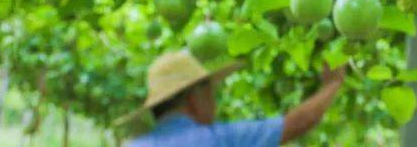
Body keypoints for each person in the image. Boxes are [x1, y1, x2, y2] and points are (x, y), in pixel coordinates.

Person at [122, 50, 346, 146]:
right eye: (210, 92)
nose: (214, 102)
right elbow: (298, 123)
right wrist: (332, 84)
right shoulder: (218, 140)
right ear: (193, 98)